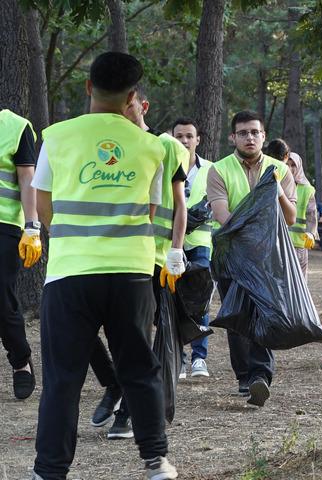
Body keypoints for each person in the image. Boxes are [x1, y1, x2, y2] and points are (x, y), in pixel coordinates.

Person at [31, 51, 177, 480]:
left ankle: (49, 471)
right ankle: (156, 462)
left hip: (70, 274)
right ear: (133, 96)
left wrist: (75, 240)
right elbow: (151, 211)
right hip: (130, 275)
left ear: (88, 87)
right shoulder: (152, 146)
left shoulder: (56, 137)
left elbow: (42, 204)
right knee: (139, 369)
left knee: (63, 379)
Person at [86, 87, 189, 440]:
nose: (121, 112)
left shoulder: (165, 146)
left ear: (142, 106)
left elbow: (179, 205)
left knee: (136, 338)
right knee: (85, 331)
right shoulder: (108, 149)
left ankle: (126, 413)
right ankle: (113, 384)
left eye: (127, 106)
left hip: (153, 258)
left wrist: (176, 251)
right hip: (108, 256)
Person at [207, 110, 297, 407]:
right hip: (232, 256)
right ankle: (244, 375)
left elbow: (290, 216)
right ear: (232, 137)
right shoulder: (219, 170)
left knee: (262, 312)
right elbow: (222, 215)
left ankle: (260, 375)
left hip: (269, 258)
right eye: (243, 132)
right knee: (236, 316)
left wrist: (275, 189)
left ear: (263, 136)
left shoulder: (280, 170)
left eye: (254, 132)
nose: (249, 137)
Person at [0, 109, 39, 401]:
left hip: (4, 225)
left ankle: (20, 360)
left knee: (2, 297)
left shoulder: (15, 127)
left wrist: (32, 226)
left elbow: (27, 179)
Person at [173, 117, 214, 378]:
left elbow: (216, 201)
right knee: (173, 300)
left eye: (189, 136)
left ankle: (200, 357)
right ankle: (179, 358)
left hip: (200, 243)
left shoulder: (211, 169)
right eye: (180, 136)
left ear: (198, 139)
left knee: (201, 300)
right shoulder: (164, 166)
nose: (185, 141)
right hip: (172, 243)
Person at [265, 139, 318, 276]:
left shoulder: (307, 190)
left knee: (299, 282)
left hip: (298, 244)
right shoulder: (272, 183)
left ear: (299, 167)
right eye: (287, 164)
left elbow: (312, 215)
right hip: (276, 243)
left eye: (293, 165)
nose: (289, 168)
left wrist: (311, 233)